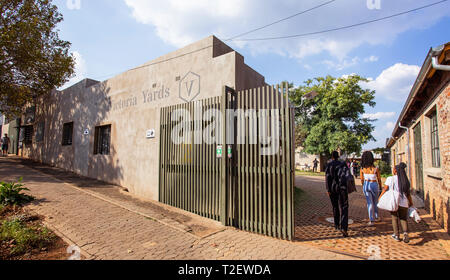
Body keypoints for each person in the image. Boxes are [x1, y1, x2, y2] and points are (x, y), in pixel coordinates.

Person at [379, 163, 413, 243]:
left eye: (393, 169)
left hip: (394, 200)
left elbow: (385, 189)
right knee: (403, 218)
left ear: (395, 171)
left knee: (394, 218)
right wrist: (410, 202)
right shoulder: (405, 180)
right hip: (403, 201)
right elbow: (408, 193)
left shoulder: (390, 179)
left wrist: (380, 196)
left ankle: (396, 235)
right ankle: (405, 233)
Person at [325, 151, 349, 237]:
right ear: (338, 156)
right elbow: (347, 176)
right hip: (342, 188)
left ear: (332, 156)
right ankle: (344, 227)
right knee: (344, 207)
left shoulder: (329, 164)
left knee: (335, 206)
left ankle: (336, 224)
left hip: (333, 188)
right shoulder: (343, 164)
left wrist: (328, 189)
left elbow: (327, 177)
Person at [360, 151, 383, 225]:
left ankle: (371, 220)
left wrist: (363, 186)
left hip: (366, 184)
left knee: (369, 203)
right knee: (375, 202)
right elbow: (379, 179)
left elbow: (361, 179)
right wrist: (380, 187)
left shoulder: (362, 169)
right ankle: (376, 217)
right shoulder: (375, 169)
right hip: (374, 184)